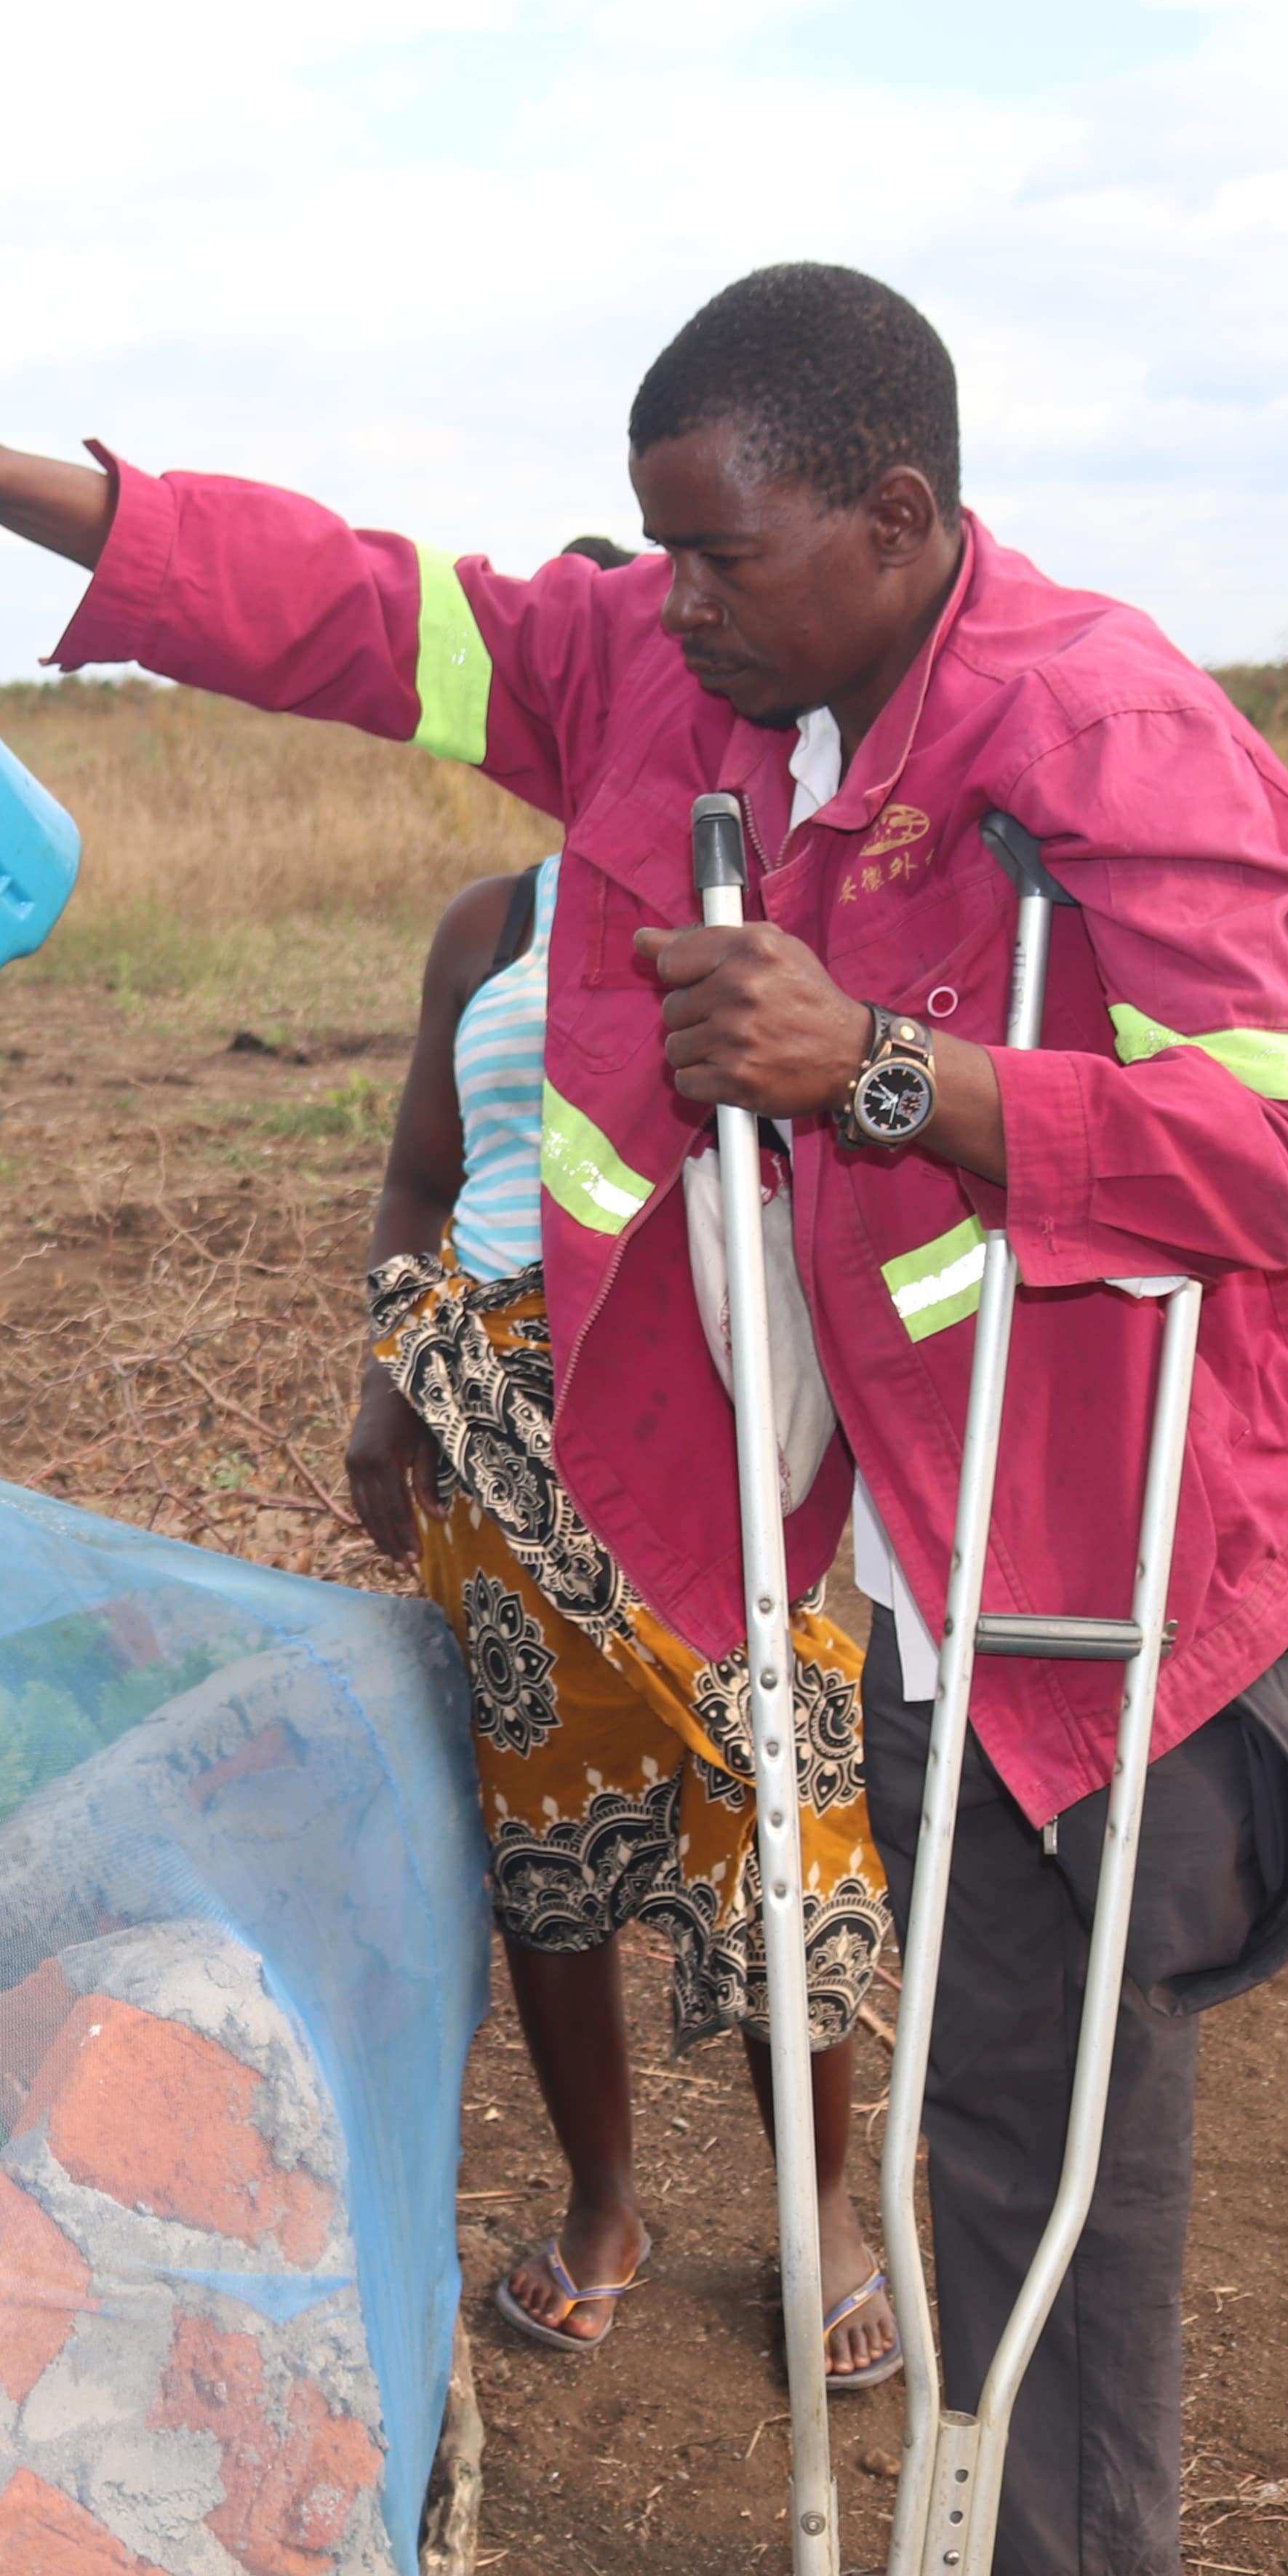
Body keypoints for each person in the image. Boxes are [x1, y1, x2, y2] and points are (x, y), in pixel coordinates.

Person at [0, 265, 1288, 2576]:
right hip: (876, 1527)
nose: (667, 598)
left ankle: (1042, 2572)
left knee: (1038, 2061)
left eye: (721, 552)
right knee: (976, 2029)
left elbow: (1269, 1165)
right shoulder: (662, 674)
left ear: (899, 521)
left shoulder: (1112, 733)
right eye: (655, 549)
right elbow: (359, 615)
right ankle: (1033, 2528)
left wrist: (885, 1072)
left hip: (1109, 1519)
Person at [346, 855, 897, 2384]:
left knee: (787, 1796)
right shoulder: (490, 924)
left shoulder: (782, 897)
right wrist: (393, 1380)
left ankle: (825, 2210)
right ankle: (605, 2201)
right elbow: (422, 1180)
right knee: (545, 1833)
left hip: (697, 1402)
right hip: (493, 1424)